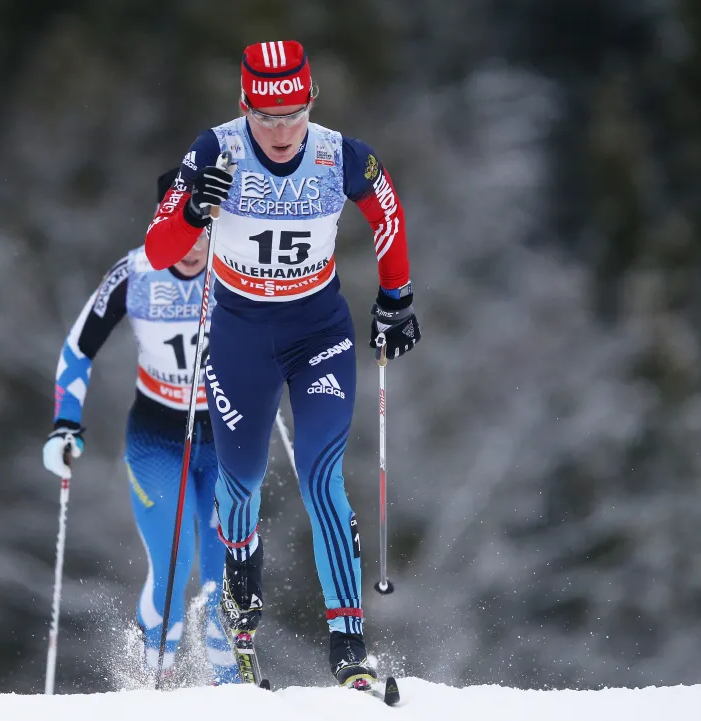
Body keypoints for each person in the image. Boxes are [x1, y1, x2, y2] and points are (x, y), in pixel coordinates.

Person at [143, 41, 421, 689]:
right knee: (238, 483)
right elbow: (159, 251)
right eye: (265, 117)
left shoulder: (340, 153)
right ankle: (241, 595)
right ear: (243, 106)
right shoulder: (215, 150)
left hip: (316, 328)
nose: (279, 131)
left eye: (291, 113)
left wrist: (396, 297)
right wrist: (189, 210)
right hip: (240, 334)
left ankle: (348, 643)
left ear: (310, 102)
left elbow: (386, 213)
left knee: (322, 477)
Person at [42, 169, 237, 685]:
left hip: (225, 440)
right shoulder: (135, 272)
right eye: (182, 230)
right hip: (158, 438)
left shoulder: (235, 269)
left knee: (225, 588)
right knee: (174, 570)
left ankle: (238, 699)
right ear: (163, 222)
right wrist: (66, 423)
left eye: (204, 232)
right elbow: (77, 348)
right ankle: (155, 687)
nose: (193, 248)